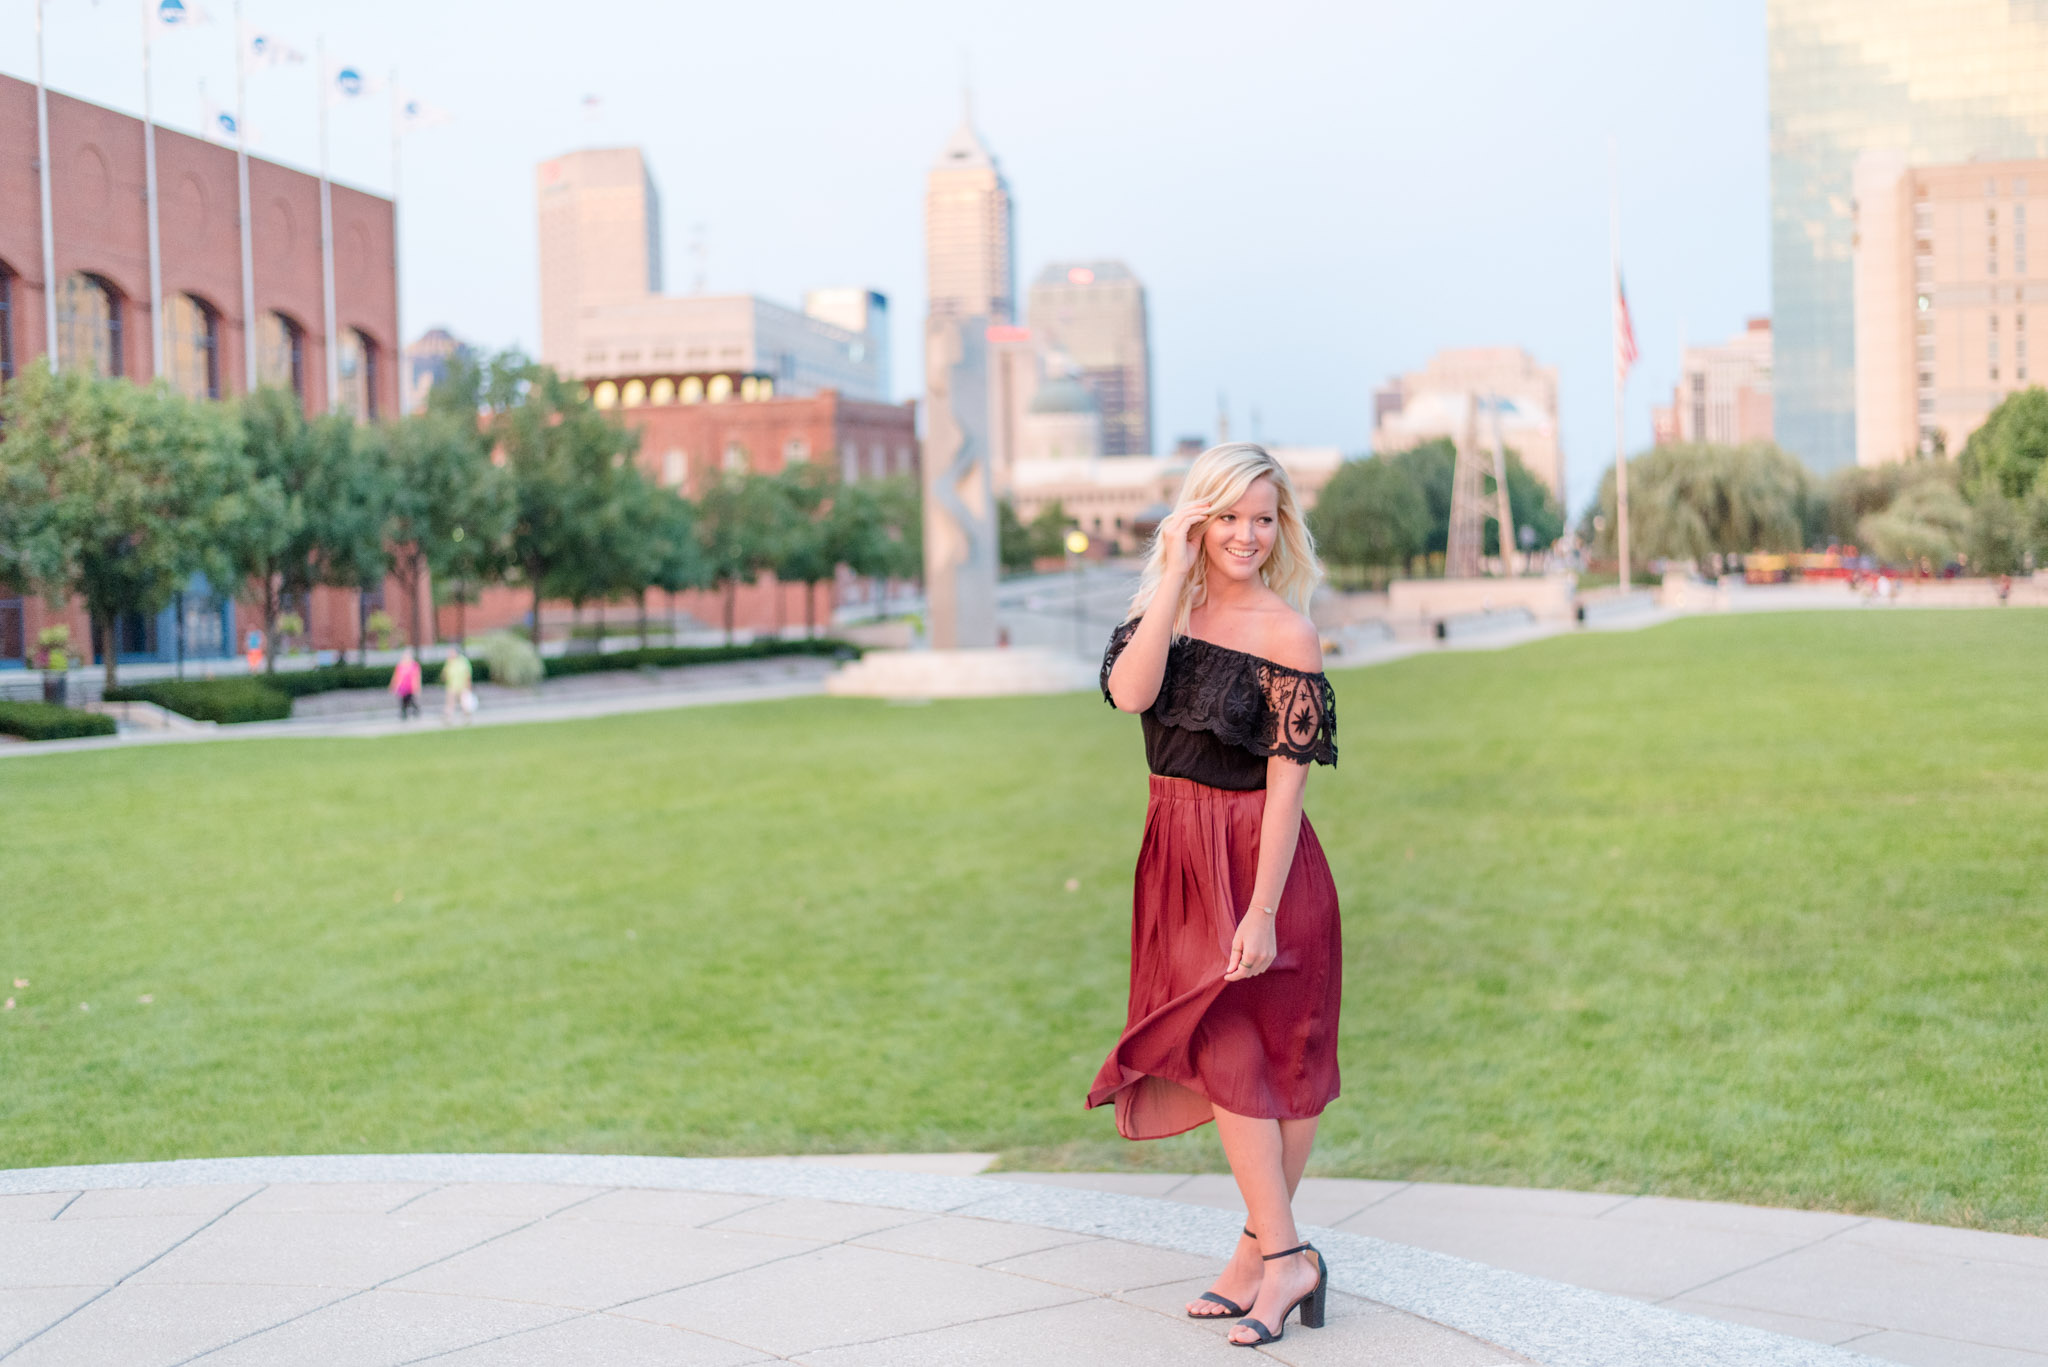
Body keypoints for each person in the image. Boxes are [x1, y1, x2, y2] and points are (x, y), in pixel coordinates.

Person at [1097, 443, 1340, 1348]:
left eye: (1263, 518)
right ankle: (1280, 1258)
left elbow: (1288, 792)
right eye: (1228, 515)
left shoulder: (1289, 633)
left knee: (1281, 1070)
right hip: (1178, 856)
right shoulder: (1165, 612)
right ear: (1198, 517)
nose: (1247, 534)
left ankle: (1272, 1261)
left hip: (1264, 870)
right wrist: (1172, 571)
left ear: (1282, 527)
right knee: (1231, 1053)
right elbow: (1132, 695)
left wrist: (1263, 911)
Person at [441, 647, 475, 725]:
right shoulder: (449, 662)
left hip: (463, 686)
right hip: (452, 686)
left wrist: (468, 686)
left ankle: (467, 718)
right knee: (450, 703)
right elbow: (444, 676)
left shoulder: (463, 661)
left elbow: (468, 674)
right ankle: (448, 718)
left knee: (464, 703)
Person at [389, 648, 422, 722]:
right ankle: (404, 713)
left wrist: (417, 688)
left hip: (411, 687)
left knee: (411, 699)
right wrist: (394, 686)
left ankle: (415, 710)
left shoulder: (414, 665)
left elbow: (417, 677)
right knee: (403, 700)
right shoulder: (400, 666)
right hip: (403, 687)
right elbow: (396, 677)